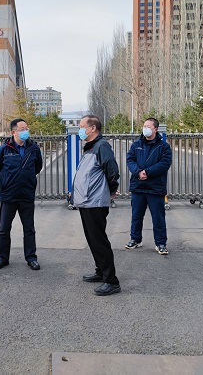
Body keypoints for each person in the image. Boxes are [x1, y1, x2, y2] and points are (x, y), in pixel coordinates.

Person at [73, 115, 121, 296]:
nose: (80, 129)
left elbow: (112, 170)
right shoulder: (91, 147)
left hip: (95, 201)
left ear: (92, 128)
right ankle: (101, 271)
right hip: (87, 201)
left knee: (99, 240)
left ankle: (111, 281)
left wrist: (112, 189)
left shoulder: (101, 146)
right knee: (92, 239)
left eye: (81, 126)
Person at [0, 118, 43, 271]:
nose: (25, 131)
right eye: (22, 129)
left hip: (26, 194)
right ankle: (3, 258)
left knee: (29, 229)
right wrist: (7, 179)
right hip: (9, 195)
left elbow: (37, 167)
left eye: (26, 128)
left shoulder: (33, 149)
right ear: (14, 132)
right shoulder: (3, 150)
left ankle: (31, 258)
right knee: (4, 229)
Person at [125, 117, 172, 255]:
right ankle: (135, 239)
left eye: (148, 126)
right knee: (136, 216)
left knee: (158, 218)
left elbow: (164, 163)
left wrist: (147, 172)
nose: (145, 128)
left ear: (155, 129)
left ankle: (161, 243)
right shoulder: (136, 145)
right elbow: (130, 160)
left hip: (155, 187)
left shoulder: (163, 146)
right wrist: (138, 172)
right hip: (138, 186)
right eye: (144, 125)